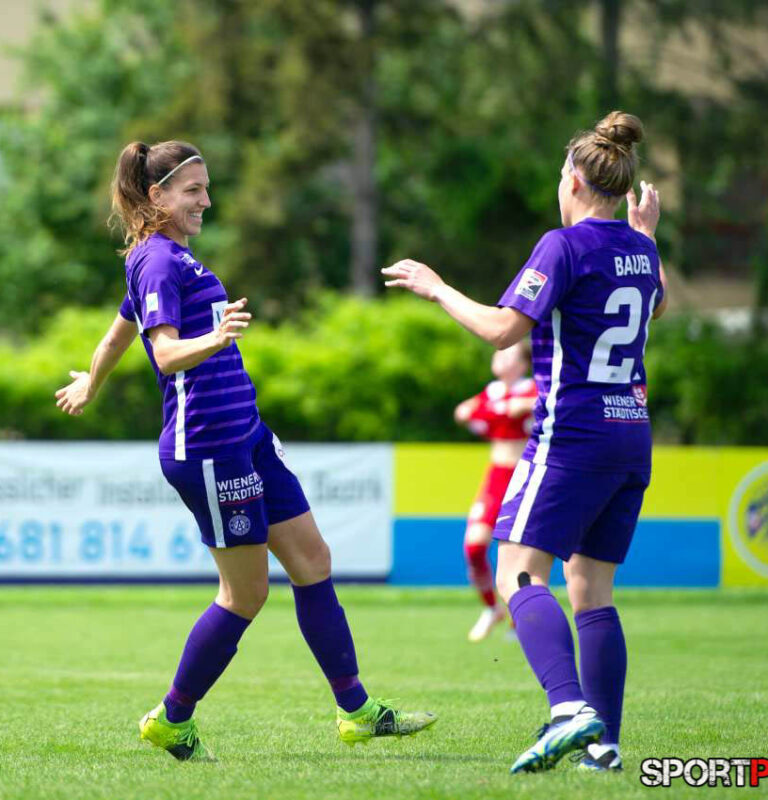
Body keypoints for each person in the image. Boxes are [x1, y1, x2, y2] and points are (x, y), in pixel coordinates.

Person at [55, 140, 436, 762]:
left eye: (206, 188)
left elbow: (119, 332)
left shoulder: (172, 258)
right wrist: (215, 336)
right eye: (193, 190)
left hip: (247, 437)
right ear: (157, 196)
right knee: (245, 595)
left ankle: (358, 711)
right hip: (208, 448)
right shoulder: (158, 262)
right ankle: (171, 719)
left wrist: (90, 383)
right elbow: (164, 352)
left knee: (313, 560)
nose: (207, 200)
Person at [382, 111, 665, 774]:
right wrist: (648, 236)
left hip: (574, 435)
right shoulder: (642, 248)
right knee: (592, 590)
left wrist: (436, 287)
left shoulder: (563, 246)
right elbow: (655, 305)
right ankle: (604, 747)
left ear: (574, 181)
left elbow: (501, 330)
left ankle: (568, 710)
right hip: (631, 436)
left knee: (516, 571)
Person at [454, 344, 536, 642]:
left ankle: (519, 618)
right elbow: (463, 412)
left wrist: (525, 405)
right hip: (496, 478)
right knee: (474, 546)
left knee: (521, 553)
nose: (499, 357)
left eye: (508, 354)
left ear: (523, 364)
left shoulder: (533, 389)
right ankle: (492, 608)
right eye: (498, 353)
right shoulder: (492, 392)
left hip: (524, 477)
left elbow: (551, 403)